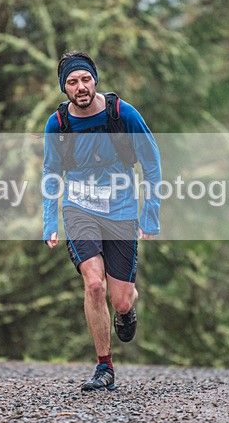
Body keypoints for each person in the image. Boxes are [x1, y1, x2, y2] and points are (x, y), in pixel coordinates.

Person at [42, 51, 161, 392]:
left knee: (120, 298)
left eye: (85, 79)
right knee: (95, 284)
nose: (80, 87)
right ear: (64, 88)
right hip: (79, 208)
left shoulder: (123, 113)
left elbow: (151, 162)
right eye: (72, 82)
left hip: (121, 210)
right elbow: (51, 172)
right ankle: (104, 367)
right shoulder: (58, 124)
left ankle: (126, 308)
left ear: (95, 80)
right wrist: (50, 220)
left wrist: (150, 214)